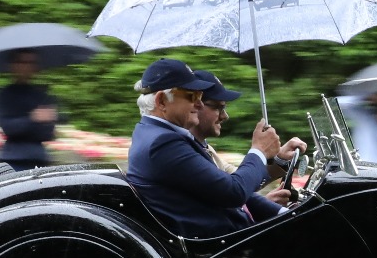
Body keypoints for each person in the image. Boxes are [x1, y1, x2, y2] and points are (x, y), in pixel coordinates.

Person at [125, 58, 293, 237]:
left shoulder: (153, 133)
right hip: (223, 251)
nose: (199, 104)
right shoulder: (164, 142)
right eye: (192, 96)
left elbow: (222, 186)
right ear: (161, 101)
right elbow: (233, 192)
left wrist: (282, 213)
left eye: (200, 97)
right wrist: (258, 150)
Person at [188, 69, 292, 217]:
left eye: (225, 108)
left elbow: (243, 179)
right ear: (195, 106)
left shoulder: (205, 148)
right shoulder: (187, 152)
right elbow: (235, 189)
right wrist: (259, 150)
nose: (225, 116)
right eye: (218, 107)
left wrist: (280, 158)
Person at [0, 49, 58, 171]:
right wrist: (33, 118)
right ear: (12, 65)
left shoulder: (42, 95)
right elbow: (8, 128)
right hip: (13, 160)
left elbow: (48, 133)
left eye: (31, 62)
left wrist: (32, 122)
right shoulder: (5, 94)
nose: (26, 66)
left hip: (38, 159)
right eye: (22, 62)